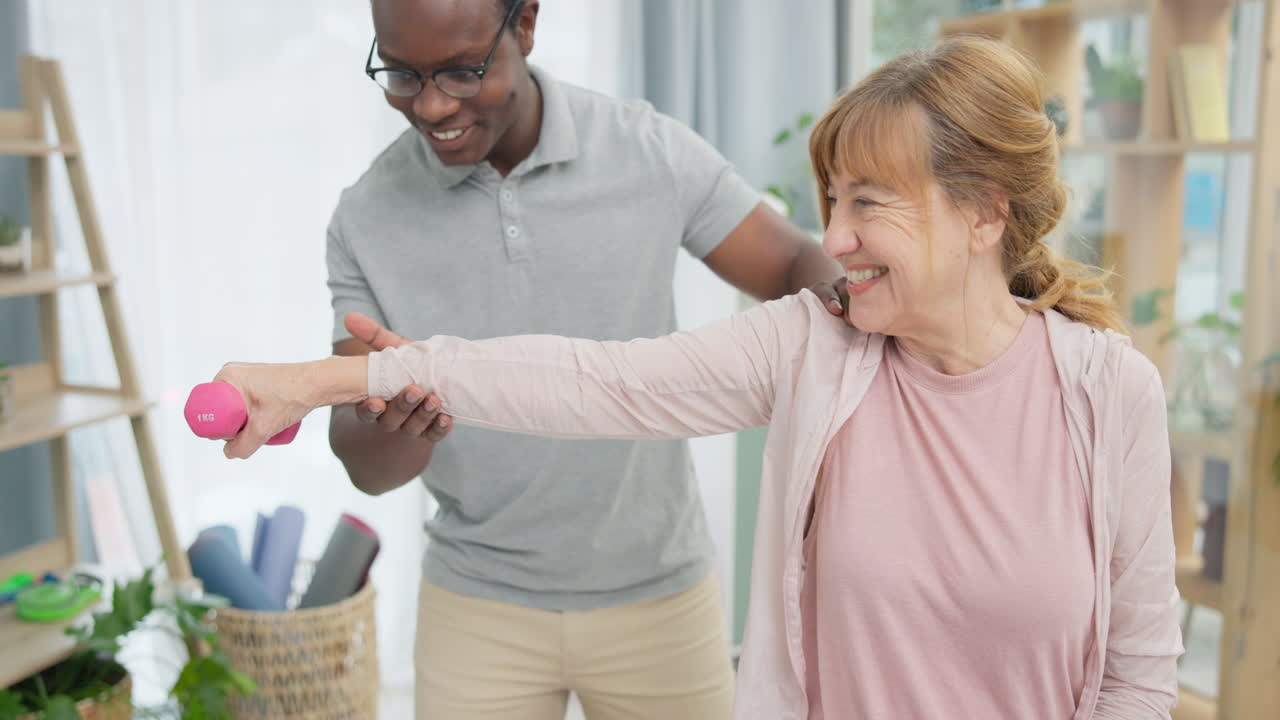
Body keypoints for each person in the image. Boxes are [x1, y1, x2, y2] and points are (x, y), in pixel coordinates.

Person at [220, 35, 1181, 719]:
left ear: (983, 215)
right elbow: (592, 382)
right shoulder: (812, 348)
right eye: (831, 202)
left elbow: (1137, 678)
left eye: (869, 205)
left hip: (651, 587)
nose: (834, 238)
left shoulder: (1109, 395)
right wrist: (313, 382)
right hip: (485, 581)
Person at [326, 0, 845, 717]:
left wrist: (857, 304)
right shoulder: (366, 217)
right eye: (403, 74)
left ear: (527, 24)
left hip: (658, 595)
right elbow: (365, 466)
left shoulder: (646, 149)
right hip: (478, 607)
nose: (432, 104)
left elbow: (791, 259)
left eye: (462, 70)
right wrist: (393, 425)